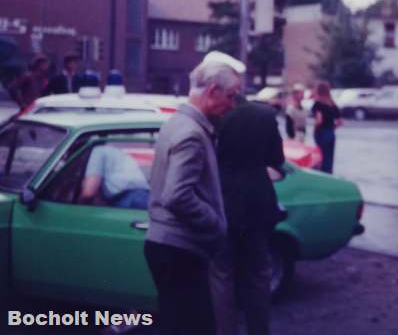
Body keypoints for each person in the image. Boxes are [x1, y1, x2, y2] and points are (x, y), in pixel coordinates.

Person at [144, 60, 241, 335]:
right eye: (231, 96)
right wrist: (214, 222)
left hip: (167, 245)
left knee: (179, 324)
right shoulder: (192, 133)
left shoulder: (176, 123)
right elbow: (177, 195)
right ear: (212, 91)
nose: (232, 105)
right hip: (181, 249)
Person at [210, 102, 286, 335]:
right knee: (258, 276)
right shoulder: (263, 115)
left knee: (222, 276)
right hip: (257, 202)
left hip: (223, 201)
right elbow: (277, 158)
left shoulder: (215, 114)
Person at [79, 144, 150, 209]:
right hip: (143, 196)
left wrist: (79, 207)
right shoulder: (115, 151)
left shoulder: (97, 151)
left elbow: (89, 192)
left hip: (129, 201)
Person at [311, 81, 342, 174]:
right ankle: (329, 175)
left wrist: (315, 129)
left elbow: (319, 120)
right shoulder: (332, 105)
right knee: (329, 158)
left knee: (321, 157)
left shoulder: (317, 104)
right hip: (331, 133)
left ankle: (322, 176)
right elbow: (340, 122)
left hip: (321, 133)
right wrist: (332, 127)